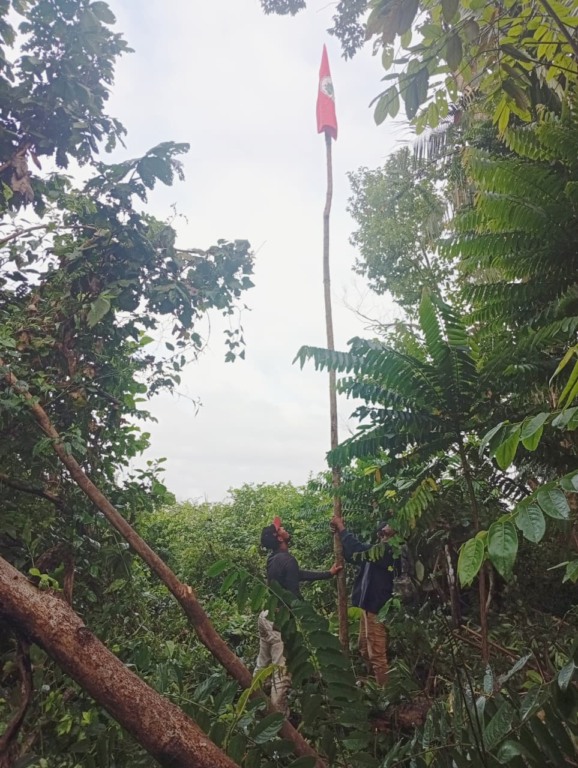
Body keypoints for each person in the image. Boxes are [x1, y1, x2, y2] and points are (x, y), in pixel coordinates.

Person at [255, 516, 342, 714]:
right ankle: (279, 720)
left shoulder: (275, 558)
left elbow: (297, 574)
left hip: (266, 616)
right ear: (279, 538)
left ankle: (253, 701)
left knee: (263, 663)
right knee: (281, 672)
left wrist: (327, 573)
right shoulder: (287, 559)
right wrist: (307, 619)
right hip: (279, 621)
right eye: (281, 529)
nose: (285, 529)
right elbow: (293, 596)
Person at [330, 514, 398, 685]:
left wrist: (342, 528)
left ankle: (386, 695)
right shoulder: (376, 551)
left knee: (376, 653)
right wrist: (338, 535)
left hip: (377, 608)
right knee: (364, 649)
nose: (383, 535)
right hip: (367, 606)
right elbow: (353, 555)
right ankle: (375, 686)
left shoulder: (388, 551)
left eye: (386, 532)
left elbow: (358, 550)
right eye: (382, 533)